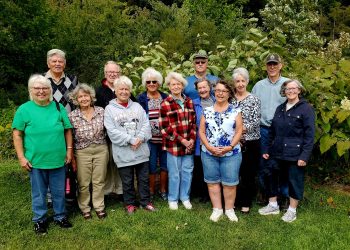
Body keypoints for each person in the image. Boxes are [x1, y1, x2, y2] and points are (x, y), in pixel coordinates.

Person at [12, 74, 73, 235]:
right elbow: (17, 134)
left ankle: (60, 216)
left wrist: (69, 151)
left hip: (58, 159)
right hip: (35, 161)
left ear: (50, 90)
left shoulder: (58, 107)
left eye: (45, 88)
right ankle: (40, 220)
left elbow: (67, 130)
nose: (41, 91)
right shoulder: (24, 109)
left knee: (59, 191)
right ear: (31, 90)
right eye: (37, 88)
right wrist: (21, 157)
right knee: (39, 193)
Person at [258, 79, 315, 223]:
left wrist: (304, 156)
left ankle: (292, 210)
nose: (290, 91)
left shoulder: (306, 108)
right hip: (276, 151)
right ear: (284, 92)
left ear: (299, 90)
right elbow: (271, 131)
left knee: (294, 180)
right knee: (270, 175)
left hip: (295, 153)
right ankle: (272, 205)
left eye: (293, 88)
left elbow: (309, 135)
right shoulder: (280, 108)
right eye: (288, 89)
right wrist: (266, 149)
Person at [104, 76, 155, 214]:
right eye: (121, 89)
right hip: (124, 153)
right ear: (115, 90)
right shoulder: (109, 109)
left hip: (141, 150)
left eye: (127, 89)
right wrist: (131, 140)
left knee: (143, 179)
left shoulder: (137, 106)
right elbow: (112, 131)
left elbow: (146, 124)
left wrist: (139, 138)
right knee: (127, 181)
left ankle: (145, 202)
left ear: (130, 91)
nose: (124, 92)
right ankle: (130, 204)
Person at [199, 80, 243, 222]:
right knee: (212, 182)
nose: (220, 93)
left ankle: (229, 210)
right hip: (209, 153)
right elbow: (201, 132)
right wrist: (209, 147)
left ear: (229, 93)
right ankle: (217, 209)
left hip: (231, 153)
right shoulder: (207, 110)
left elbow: (239, 131)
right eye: (217, 90)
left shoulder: (236, 111)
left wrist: (229, 147)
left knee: (230, 183)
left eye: (224, 91)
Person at [251, 53, 289, 205]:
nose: (272, 66)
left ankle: (284, 195)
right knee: (263, 163)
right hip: (263, 130)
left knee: (283, 163)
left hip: (282, 131)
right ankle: (266, 193)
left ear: (281, 65)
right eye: (269, 64)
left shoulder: (288, 84)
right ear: (266, 66)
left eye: (275, 64)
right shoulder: (258, 86)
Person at [68, 84, 109, 219]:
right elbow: (70, 137)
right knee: (83, 182)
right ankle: (85, 207)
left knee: (99, 180)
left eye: (86, 95)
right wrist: (72, 156)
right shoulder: (72, 116)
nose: (84, 99)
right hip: (82, 151)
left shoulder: (101, 111)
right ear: (76, 99)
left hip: (101, 149)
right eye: (80, 97)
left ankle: (99, 206)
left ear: (91, 97)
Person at [44, 48, 78, 207]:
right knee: (53, 160)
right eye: (54, 61)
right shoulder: (42, 81)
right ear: (48, 63)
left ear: (65, 63)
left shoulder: (72, 79)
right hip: (50, 127)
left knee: (71, 159)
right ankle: (51, 196)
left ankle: (70, 193)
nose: (57, 64)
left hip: (70, 125)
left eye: (60, 61)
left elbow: (77, 102)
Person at [159, 72, 196, 210]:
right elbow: (165, 128)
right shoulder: (165, 104)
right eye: (173, 84)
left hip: (188, 144)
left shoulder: (189, 102)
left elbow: (193, 123)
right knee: (174, 173)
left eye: (178, 84)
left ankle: (185, 197)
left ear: (182, 86)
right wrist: (183, 141)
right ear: (169, 86)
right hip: (173, 145)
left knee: (187, 171)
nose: (176, 86)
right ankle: (172, 198)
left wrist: (191, 140)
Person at [232, 68, 261, 214]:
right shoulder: (230, 99)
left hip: (250, 141)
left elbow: (255, 121)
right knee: (234, 172)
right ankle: (234, 201)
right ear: (234, 83)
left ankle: (246, 203)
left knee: (248, 173)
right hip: (233, 142)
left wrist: (239, 130)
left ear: (247, 82)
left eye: (243, 80)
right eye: (237, 81)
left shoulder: (254, 99)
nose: (240, 84)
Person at [137, 68, 168, 201]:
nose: (151, 84)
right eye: (148, 81)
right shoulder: (141, 98)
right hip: (149, 139)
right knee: (151, 166)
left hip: (166, 138)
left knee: (165, 165)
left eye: (154, 81)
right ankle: (150, 191)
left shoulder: (165, 97)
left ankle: (163, 190)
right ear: (145, 83)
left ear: (159, 83)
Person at [95, 61, 124, 200]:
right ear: (105, 74)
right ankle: (107, 191)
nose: (113, 74)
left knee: (120, 162)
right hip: (104, 135)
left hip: (122, 135)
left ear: (120, 74)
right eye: (109, 72)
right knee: (106, 164)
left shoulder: (123, 89)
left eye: (115, 72)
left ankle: (120, 190)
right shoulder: (98, 91)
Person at [191, 78, 214, 202]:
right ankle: (203, 194)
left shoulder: (217, 101)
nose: (202, 90)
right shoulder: (193, 103)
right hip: (200, 141)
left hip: (216, 141)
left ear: (209, 87)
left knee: (213, 167)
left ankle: (215, 192)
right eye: (200, 88)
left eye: (204, 87)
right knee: (201, 167)